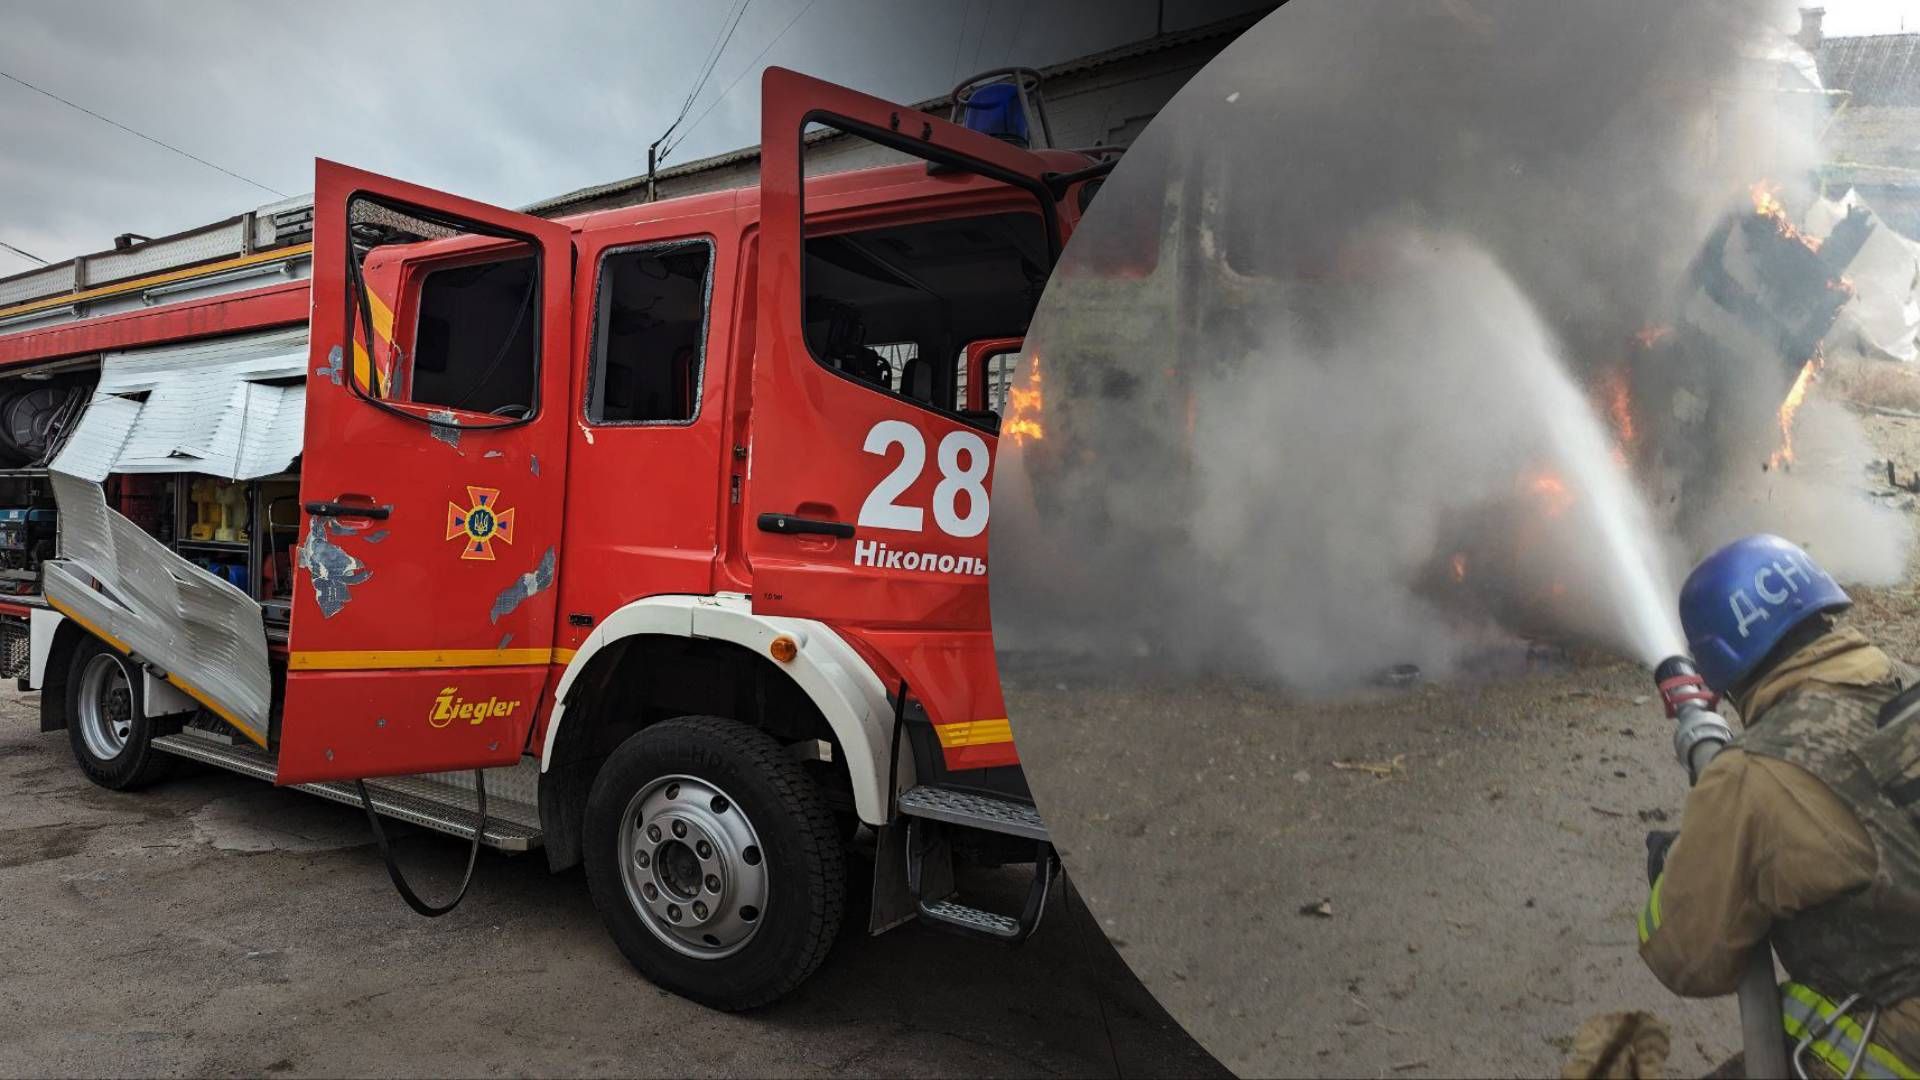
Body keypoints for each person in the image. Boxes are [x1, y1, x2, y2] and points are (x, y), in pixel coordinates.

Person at [1641, 533, 1920, 1078]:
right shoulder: (1906, 681)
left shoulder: (1753, 774)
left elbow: (1686, 957)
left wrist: (1674, 869)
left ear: (1721, 663)